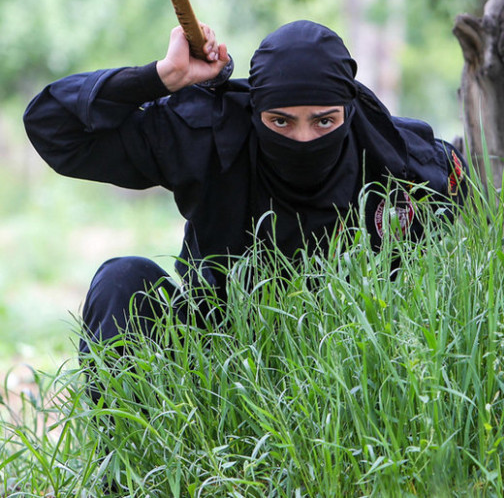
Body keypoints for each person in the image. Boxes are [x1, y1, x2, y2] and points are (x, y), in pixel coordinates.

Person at [23, 20, 467, 372]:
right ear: (253, 110)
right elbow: (52, 127)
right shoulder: (208, 136)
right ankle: (127, 476)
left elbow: (477, 235)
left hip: (358, 373)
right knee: (121, 281)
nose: (303, 138)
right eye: (280, 122)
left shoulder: (402, 161)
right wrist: (163, 77)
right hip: (216, 364)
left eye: (324, 122)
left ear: (349, 111)